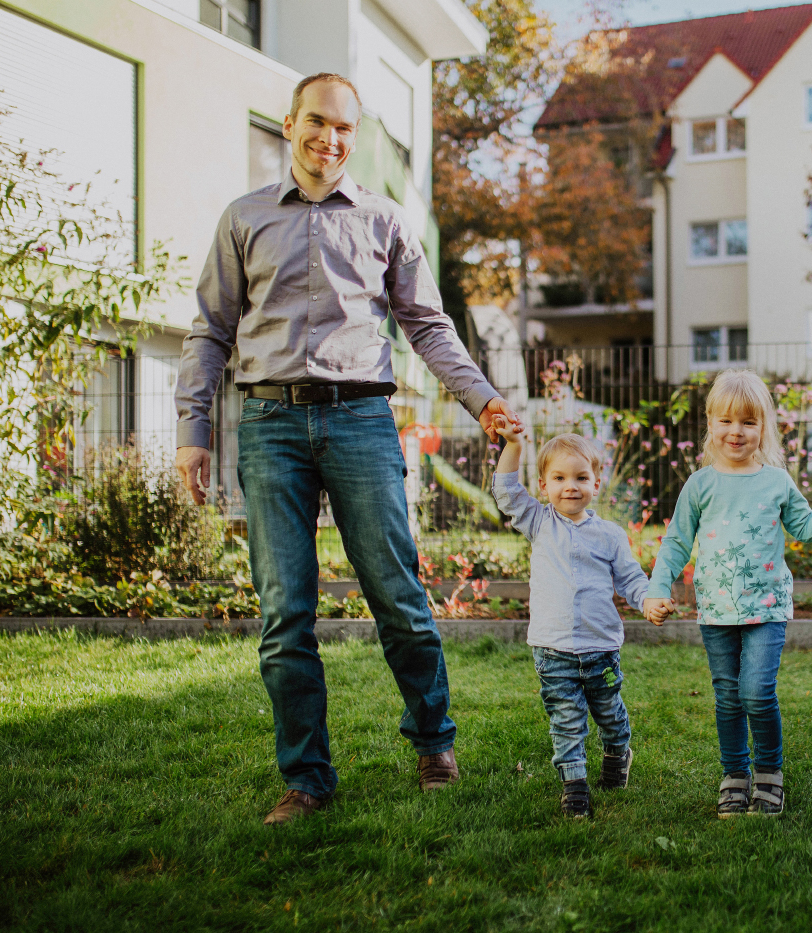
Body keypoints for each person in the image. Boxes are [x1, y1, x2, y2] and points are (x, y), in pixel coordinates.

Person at [173, 73, 522, 826]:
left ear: (354, 137)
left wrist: (483, 398)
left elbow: (429, 325)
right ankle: (307, 777)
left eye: (344, 128)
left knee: (398, 596)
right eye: (317, 123)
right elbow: (209, 329)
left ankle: (433, 739)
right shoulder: (244, 219)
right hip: (270, 425)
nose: (330, 139)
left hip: (362, 418)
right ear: (290, 123)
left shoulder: (384, 220)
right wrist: (193, 430)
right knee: (285, 613)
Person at [644, 370, 812, 818]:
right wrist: (658, 587)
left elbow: (806, 526)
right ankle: (735, 775)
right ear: (710, 424)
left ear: (763, 429)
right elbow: (676, 542)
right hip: (716, 611)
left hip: (767, 608)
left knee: (756, 692)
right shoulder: (699, 485)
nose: (736, 432)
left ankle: (769, 773)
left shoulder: (775, 481)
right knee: (728, 697)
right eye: (726, 421)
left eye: (748, 423)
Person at [489, 420, 650, 818]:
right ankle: (574, 783)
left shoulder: (610, 535)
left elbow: (631, 578)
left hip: (601, 648)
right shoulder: (539, 523)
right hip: (552, 648)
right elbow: (506, 491)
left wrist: (648, 602)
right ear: (544, 486)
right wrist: (513, 443)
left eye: (581, 477)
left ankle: (617, 752)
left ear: (597, 483)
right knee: (566, 717)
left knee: (609, 711)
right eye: (559, 478)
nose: (570, 486)